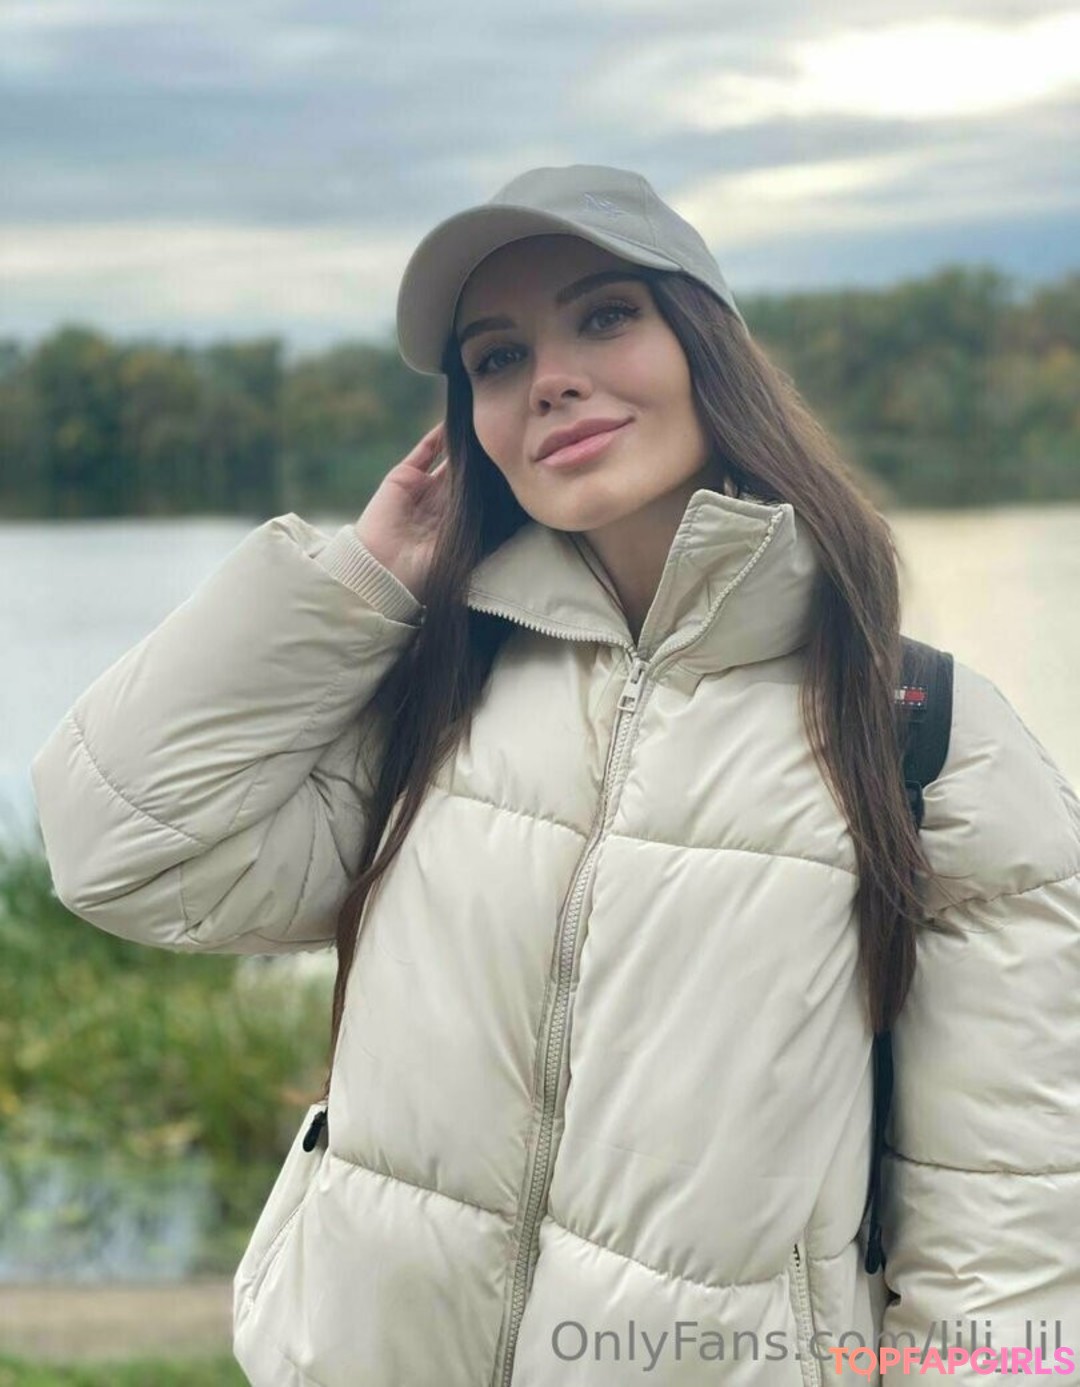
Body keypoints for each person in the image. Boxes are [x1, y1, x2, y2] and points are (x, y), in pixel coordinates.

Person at [31, 165, 1080, 1386]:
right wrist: (363, 577)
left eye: (605, 316)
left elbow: (1007, 1226)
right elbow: (116, 849)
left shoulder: (923, 738)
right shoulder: (439, 697)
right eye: (497, 357)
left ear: (707, 347)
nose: (550, 378)